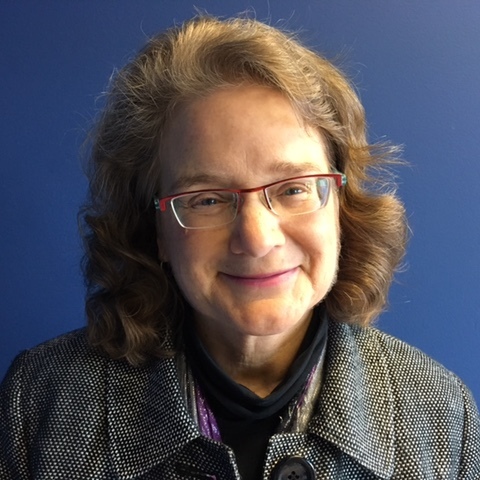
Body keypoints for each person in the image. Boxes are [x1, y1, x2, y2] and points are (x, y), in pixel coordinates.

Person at [1, 15, 479, 480]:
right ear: (156, 230)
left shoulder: (443, 416)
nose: (257, 239)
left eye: (293, 188)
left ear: (340, 207)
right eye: (207, 199)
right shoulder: (39, 404)